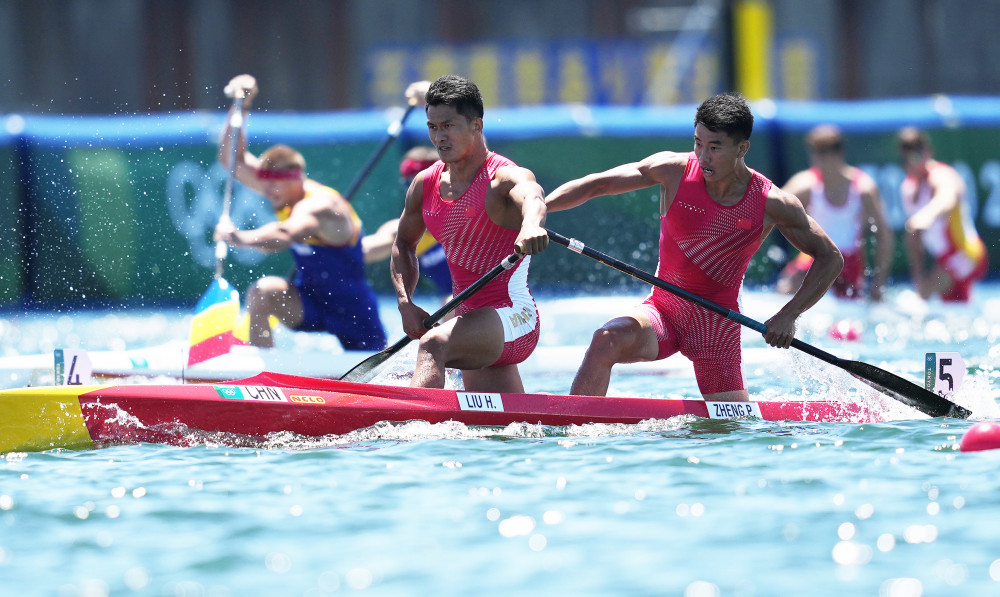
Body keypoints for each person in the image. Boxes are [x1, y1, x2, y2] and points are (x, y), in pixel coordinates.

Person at [545, 92, 843, 401]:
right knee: (605, 340)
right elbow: (599, 184)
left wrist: (788, 314)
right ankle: (575, 429)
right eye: (698, 143)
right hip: (663, 311)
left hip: (717, 328)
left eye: (715, 147)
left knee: (732, 432)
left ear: (742, 148)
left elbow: (831, 258)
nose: (703, 156)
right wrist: (539, 209)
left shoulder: (772, 202)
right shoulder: (672, 170)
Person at [391, 75, 548, 392]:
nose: (439, 137)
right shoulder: (425, 184)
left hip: (514, 317)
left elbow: (532, 195)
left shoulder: (501, 177)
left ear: (476, 125)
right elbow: (404, 245)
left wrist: (532, 225)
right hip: (472, 323)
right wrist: (405, 303)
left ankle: (407, 427)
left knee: (434, 343)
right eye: (432, 127)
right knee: (502, 430)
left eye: (448, 125)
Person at [214, 74, 387, 350]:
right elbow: (230, 159)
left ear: (295, 180)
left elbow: (284, 234)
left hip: (352, 309)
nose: (268, 193)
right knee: (261, 293)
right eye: (265, 186)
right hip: (309, 301)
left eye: (275, 187)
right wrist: (241, 106)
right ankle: (262, 378)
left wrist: (238, 237)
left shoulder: (320, 205)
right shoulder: (281, 191)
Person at [776, 124, 894, 301]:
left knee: (849, 303)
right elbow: (769, 207)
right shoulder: (805, 184)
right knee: (784, 289)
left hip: (848, 261)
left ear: (839, 154)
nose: (819, 160)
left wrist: (878, 284)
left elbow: (883, 235)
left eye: (824, 153)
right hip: (815, 254)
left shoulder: (863, 189)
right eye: (816, 153)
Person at [897, 126, 988, 303]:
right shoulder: (907, 188)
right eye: (905, 160)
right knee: (950, 304)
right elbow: (914, 239)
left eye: (916, 157)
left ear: (928, 152)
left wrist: (928, 215)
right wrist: (919, 279)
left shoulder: (942, 175)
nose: (911, 164)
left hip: (967, 253)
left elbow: (947, 197)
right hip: (943, 259)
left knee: (925, 295)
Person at [362, 145, 454, 300]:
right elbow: (365, 249)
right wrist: (332, 251)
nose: (420, 192)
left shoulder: (470, 213)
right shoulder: (402, 229)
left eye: (427, 184)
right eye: (411, 185)